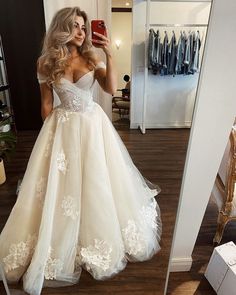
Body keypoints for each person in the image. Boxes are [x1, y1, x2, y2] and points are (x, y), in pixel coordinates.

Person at [0, 7, 162, 295]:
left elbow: (111, 88)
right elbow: (46, 105)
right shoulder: (45, 63)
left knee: (98, 179)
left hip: (92, 125)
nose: (81, 31)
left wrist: (109, 54)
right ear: (62, 27)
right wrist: (49, 139)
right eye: (75, 25)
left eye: (84, 27)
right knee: (61, 188)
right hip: (62, 127)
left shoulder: (92, 57)